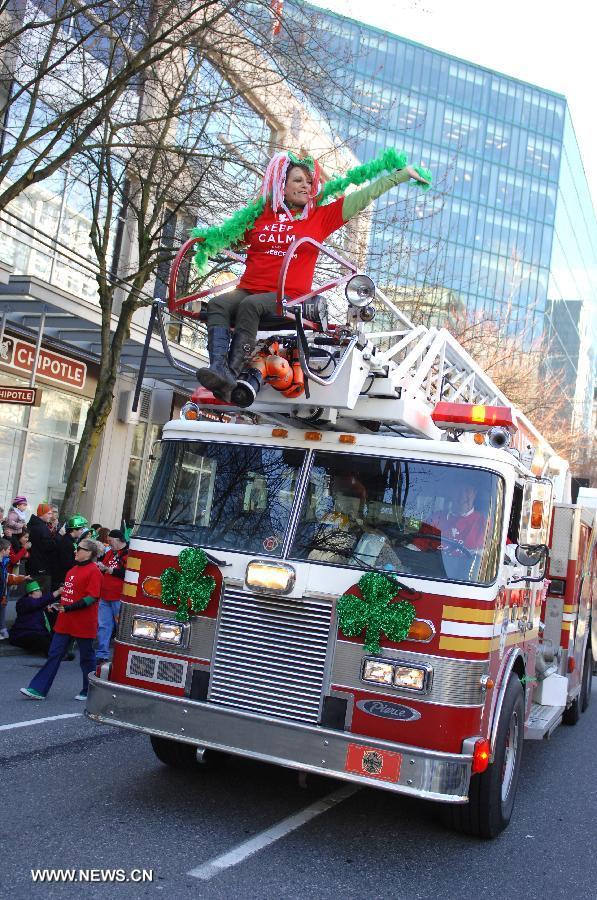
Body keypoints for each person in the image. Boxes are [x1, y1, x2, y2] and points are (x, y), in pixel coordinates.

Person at [195, 149, 431, 401]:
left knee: (250, 306)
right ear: (282, 187)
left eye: (310, 183)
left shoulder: (320, 218)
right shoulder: (261, 216)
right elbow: (229, 240)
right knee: (219, 304)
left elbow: (364, 196)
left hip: (287, 297)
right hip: (248, 287)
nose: (306, 187)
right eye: (298, 181)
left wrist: (401, 176)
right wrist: (206, 242)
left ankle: (232, 373)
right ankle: (218, 368)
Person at [20, 539, 102, 701]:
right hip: (65, 621)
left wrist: (70, 607)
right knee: (54, 654)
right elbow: (70, 594)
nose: (75, 551)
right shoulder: (72, 570)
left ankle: (90, 690)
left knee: (86, 658)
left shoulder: (94, 571)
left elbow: (92, 597)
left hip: (83, 622)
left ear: (89, 553)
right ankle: (38, 689)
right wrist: (58, 604)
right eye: (76, 548)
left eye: (80, 549)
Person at [95, 529, 128, 664]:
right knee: (103, 626)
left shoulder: (129, 554)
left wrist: (110, 570)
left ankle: (120, 656)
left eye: (110, 541)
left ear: (119, 540)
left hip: (118, 597)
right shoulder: (110, 553)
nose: (109, 544)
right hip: (105, 595)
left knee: (120, 627)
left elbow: (128, 573)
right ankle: (102, 654)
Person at [8, 580, 62, 654]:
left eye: (40, 591)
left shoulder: (40, 603)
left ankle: (61, 653)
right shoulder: (24, 602)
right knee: (39, 639)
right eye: (38, 591)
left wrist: (51, 607)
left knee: (52, 638)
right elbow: (37, 603)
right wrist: (58, 592)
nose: (40, 593)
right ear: (30, 594)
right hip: (22, 634)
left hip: (38, 632)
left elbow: (42, 602)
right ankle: (55, 655)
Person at [0, 538, 29, 639]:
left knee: (2, 609)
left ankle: (2, 629)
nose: (10, 551)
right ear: (3, 551)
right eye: (8, 549)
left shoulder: (4, 562)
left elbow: (7, 578)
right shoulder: (3, 563)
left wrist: (22, 578)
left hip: (2, 593)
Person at [52, 515, 89, 590]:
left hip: (66, 576)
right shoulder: (66, 542)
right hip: (61, 578)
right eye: (81, 529)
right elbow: (66, 563)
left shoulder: (71, 540)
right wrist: (81, 562)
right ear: (74, 529)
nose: (82, 532)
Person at [27, 503, 57, 592]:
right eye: (49, 513)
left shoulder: (33, 524)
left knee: (31, 593)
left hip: (33, 565)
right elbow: (48, 546)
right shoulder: (41, 527)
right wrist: (58, 535)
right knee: (40, 596)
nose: (51, 516)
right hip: (41, 567)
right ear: (41, 514)